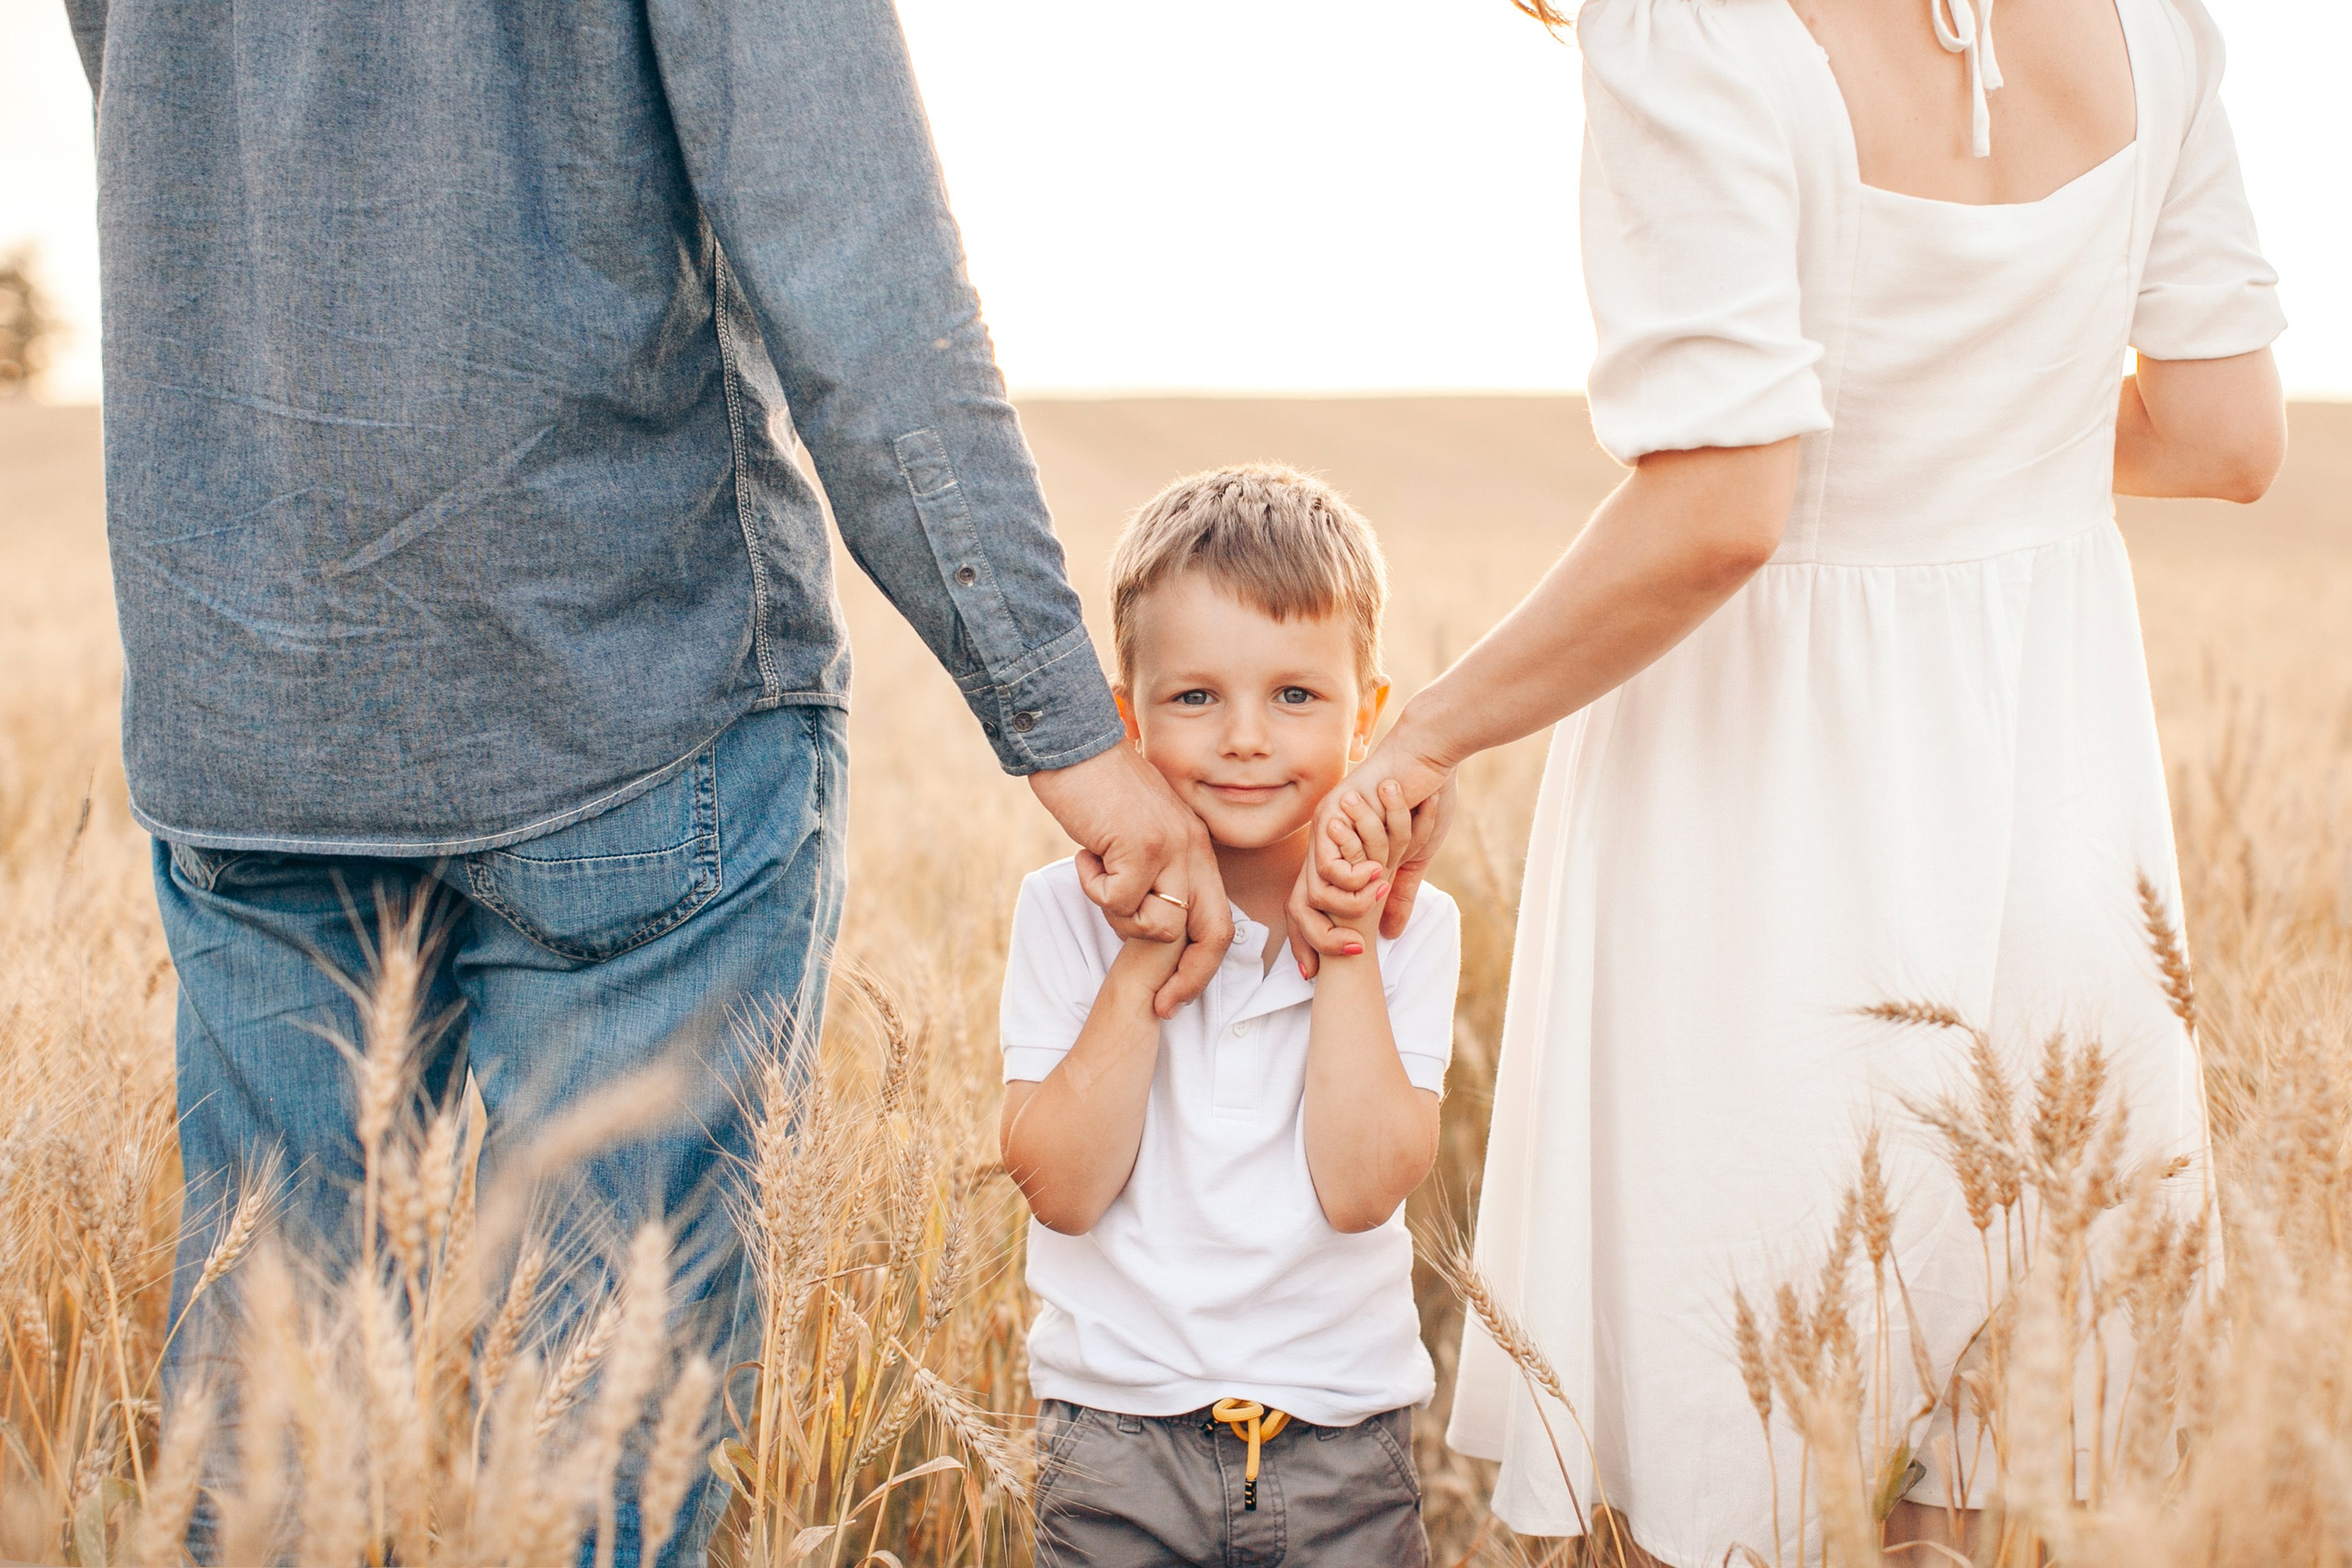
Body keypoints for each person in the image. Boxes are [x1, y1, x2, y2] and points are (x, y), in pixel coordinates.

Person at [65, 1, 1230, 1561]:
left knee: (271, 1458)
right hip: (625, 689)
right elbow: (853, 252)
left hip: (255, 689)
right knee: (595, 1463)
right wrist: (1067, 727)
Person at [1285, 0, 2288, 1561]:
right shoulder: (2151, 23)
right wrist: (1979, 440)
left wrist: (1426, 732)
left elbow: (1723, 507)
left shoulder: (1691, 25)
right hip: (2057, 781)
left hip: (1759, 813)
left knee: (1748, 1463)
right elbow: (2230, 432)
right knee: (1966, 1493)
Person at [998, 466, 1460, 1566]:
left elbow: (1358, 1189)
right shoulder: (1064, 912)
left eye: (1296, 696)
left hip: (1341, 1446)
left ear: (1370, 720)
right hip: (1113, 1445)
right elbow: (1060, 1188)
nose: (1246, 738)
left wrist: (1341, 937)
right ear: (1126, 719)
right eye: (1195, 696)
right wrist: (1147, 950)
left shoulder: (1409, 923)